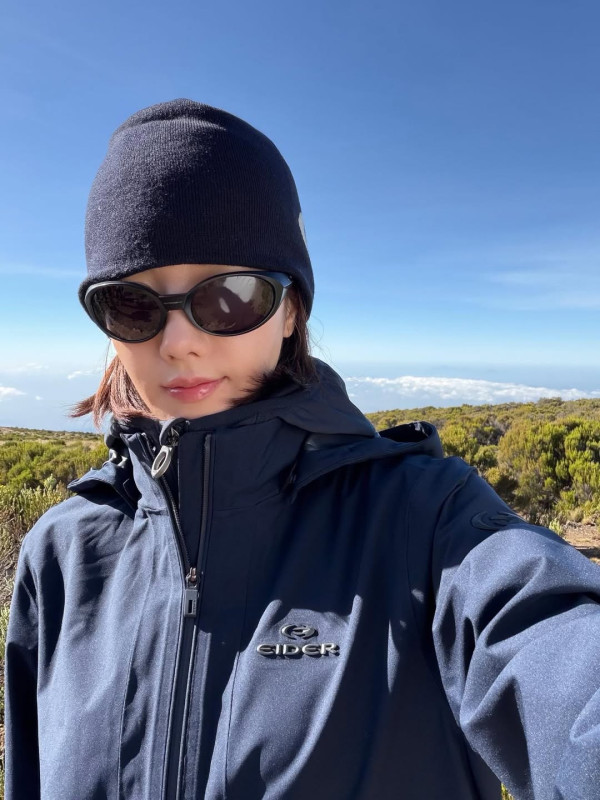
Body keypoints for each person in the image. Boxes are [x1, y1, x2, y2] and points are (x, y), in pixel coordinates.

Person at [4, 99, 600, 800]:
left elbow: (558, 660)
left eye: (229, 296)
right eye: (132, 304)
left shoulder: (428, 523)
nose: (179, 342)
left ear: (290, 311)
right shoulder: (62, 557)